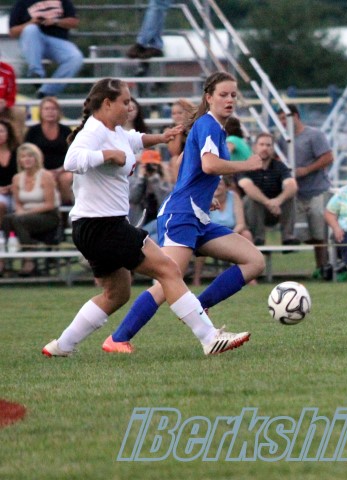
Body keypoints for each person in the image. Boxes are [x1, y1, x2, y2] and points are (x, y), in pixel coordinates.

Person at [42, 77, 249, 357]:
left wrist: (160, 138)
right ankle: (209, 337)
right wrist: (107, 155)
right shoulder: (94, 131)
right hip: (104, 225)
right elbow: (71, 160)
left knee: (117, 294)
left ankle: (62, 346)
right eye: (125, 102)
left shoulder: (114, 130)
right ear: (107, 103)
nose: (130, 108)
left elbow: (133, 140)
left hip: (91, 227)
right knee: (168, 270)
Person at [101, 72, 265, 354]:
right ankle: (117, 338)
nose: (229, 100)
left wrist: (205, 199)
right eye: (223, 95)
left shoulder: (214, 128)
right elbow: (210, 165)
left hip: (196, 216)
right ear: (209, 97)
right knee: (167, 281)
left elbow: (193, 169)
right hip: (181, 216)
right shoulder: (208, 124)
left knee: (254, 261)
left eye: (233, 95)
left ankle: (198, 307)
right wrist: (247, 165)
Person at [277, 104, 334, 279]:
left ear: (295, 116)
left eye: (284, 118)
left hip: (317, 190)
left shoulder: (314, 135)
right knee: (303, 234)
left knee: (320, 231)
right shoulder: (283, 139)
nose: (282, 123)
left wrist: (307, 169)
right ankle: (320, 266)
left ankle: (324, 267)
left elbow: (328, 157)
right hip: (296, 193)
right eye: (280, 120)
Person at [1, 143, 60, 276]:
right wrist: (20, 211)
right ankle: (4, 259)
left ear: (36, 158)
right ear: (19, 160)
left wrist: (25, 213)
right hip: (24, 217)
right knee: (7, 219)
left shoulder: (46, 176)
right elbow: (18, 203)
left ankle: (29, 260)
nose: (26, 159)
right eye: (23, 157)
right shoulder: (17, 178)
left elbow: (50, 204)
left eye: (30, 156)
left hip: (47, 215)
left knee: (19, 220)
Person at [9, 0, 84, 99]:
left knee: (76, 57)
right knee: (31, 29)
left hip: (58, 42)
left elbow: (74, 22)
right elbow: (12, 32)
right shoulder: (22, 3)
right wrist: (30, 23)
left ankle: (47, 92)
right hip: (33, 43)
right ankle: (36, 74)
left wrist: (55, 21)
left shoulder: (63, 1)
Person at [237, 132, 299, 246]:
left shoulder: (279, 166)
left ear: (273, 149)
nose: (265, 148)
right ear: (254, 147)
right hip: (251, 213)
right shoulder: (245, 166)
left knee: (290, 196)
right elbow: (248, 187)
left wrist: (278, 201)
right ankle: (258, 238)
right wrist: (268, 202)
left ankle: (287, 237)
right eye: (261, 144)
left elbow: (292, 185)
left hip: (276, 211)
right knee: (250, 199)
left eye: (268, 145)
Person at [192, 175, 254, 286]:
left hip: (232, 232)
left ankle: (251, 275)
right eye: (214, 184)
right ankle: (196, 278)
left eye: (220, 184)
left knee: (246, 234)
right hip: (210, 234)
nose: (216, 186)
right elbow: (202, 224)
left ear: (227, 186)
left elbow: (241, 223)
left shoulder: (234, 197)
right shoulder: (205, 198)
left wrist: (230, 235)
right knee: (201, 239)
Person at [24, 96, 73, 206]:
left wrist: (60, 170)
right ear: (41, 112)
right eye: (46, 109)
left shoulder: (66, 131)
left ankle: (66, 209)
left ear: (58, 112)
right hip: (38, 169)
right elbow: (26, 153)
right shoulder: (33, 131)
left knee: (66, 178)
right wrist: (42, 170)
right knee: (46, 177)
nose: (50, 112)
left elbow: (72, 154)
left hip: (63, 169)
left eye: (53, 109)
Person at [128, 149, 172, 242]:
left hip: (158, 228)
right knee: (157, 228)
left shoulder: (163, 184)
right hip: (139, 227)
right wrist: (141, 178)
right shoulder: (135, 181)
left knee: (157, 235)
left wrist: (155, 180)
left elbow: (166, 204)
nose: (150, 168)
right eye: (147, 165)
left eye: (154, 165)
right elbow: (133, 198)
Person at [166, 98, 195, 183]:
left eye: (180, 113)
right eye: (174, 114)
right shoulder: (169, 130)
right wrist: (179, 131)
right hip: (179, 162)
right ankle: (179, 186)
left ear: (188, 113)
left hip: (195, 159)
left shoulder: (196, 127)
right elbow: (174, 152)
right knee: (175, 159)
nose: (177, 116)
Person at [0, 60, 26, 143]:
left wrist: (5, 103)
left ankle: (17, 144)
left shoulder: (7, 69)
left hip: (5, 107)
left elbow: (12, 93)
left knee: (19, 113)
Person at [0, 120, 19, 229]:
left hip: (19, 189)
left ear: (8, 133)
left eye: (1, 131)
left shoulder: (18, 151)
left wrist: (14, 186)